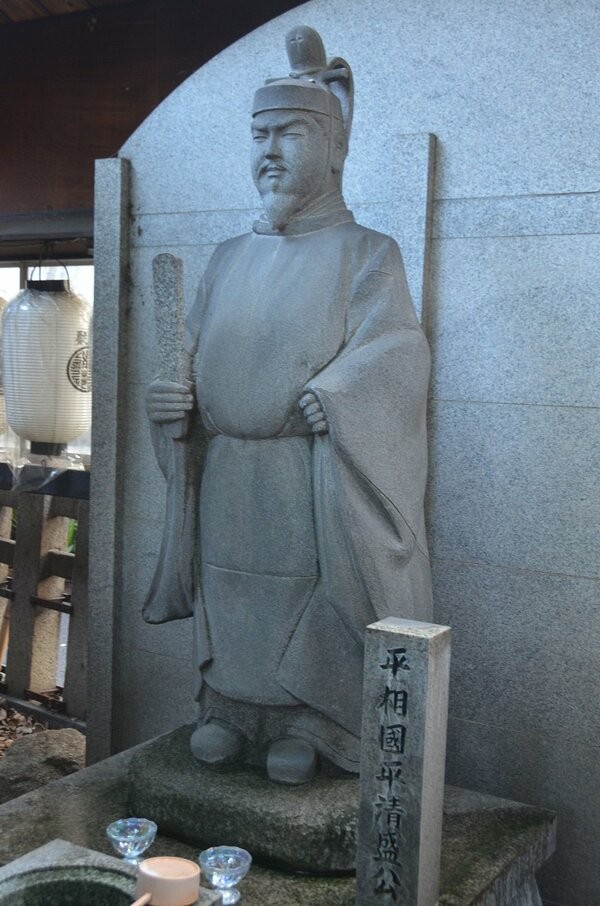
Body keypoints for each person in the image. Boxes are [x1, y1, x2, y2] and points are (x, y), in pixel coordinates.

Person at [145, 26, 432, 785]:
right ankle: (228, 715)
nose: (267, 151)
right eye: (257, 135)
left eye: (287, 134)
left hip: (308, 475)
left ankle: (312, 724)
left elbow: (399, 353)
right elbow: (193, 358)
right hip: (231, 470)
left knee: (309, 604)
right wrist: (174, 406)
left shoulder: (369, 253)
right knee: (231, 592)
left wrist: (339, 396)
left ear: (333, 148)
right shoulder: (228, 258)